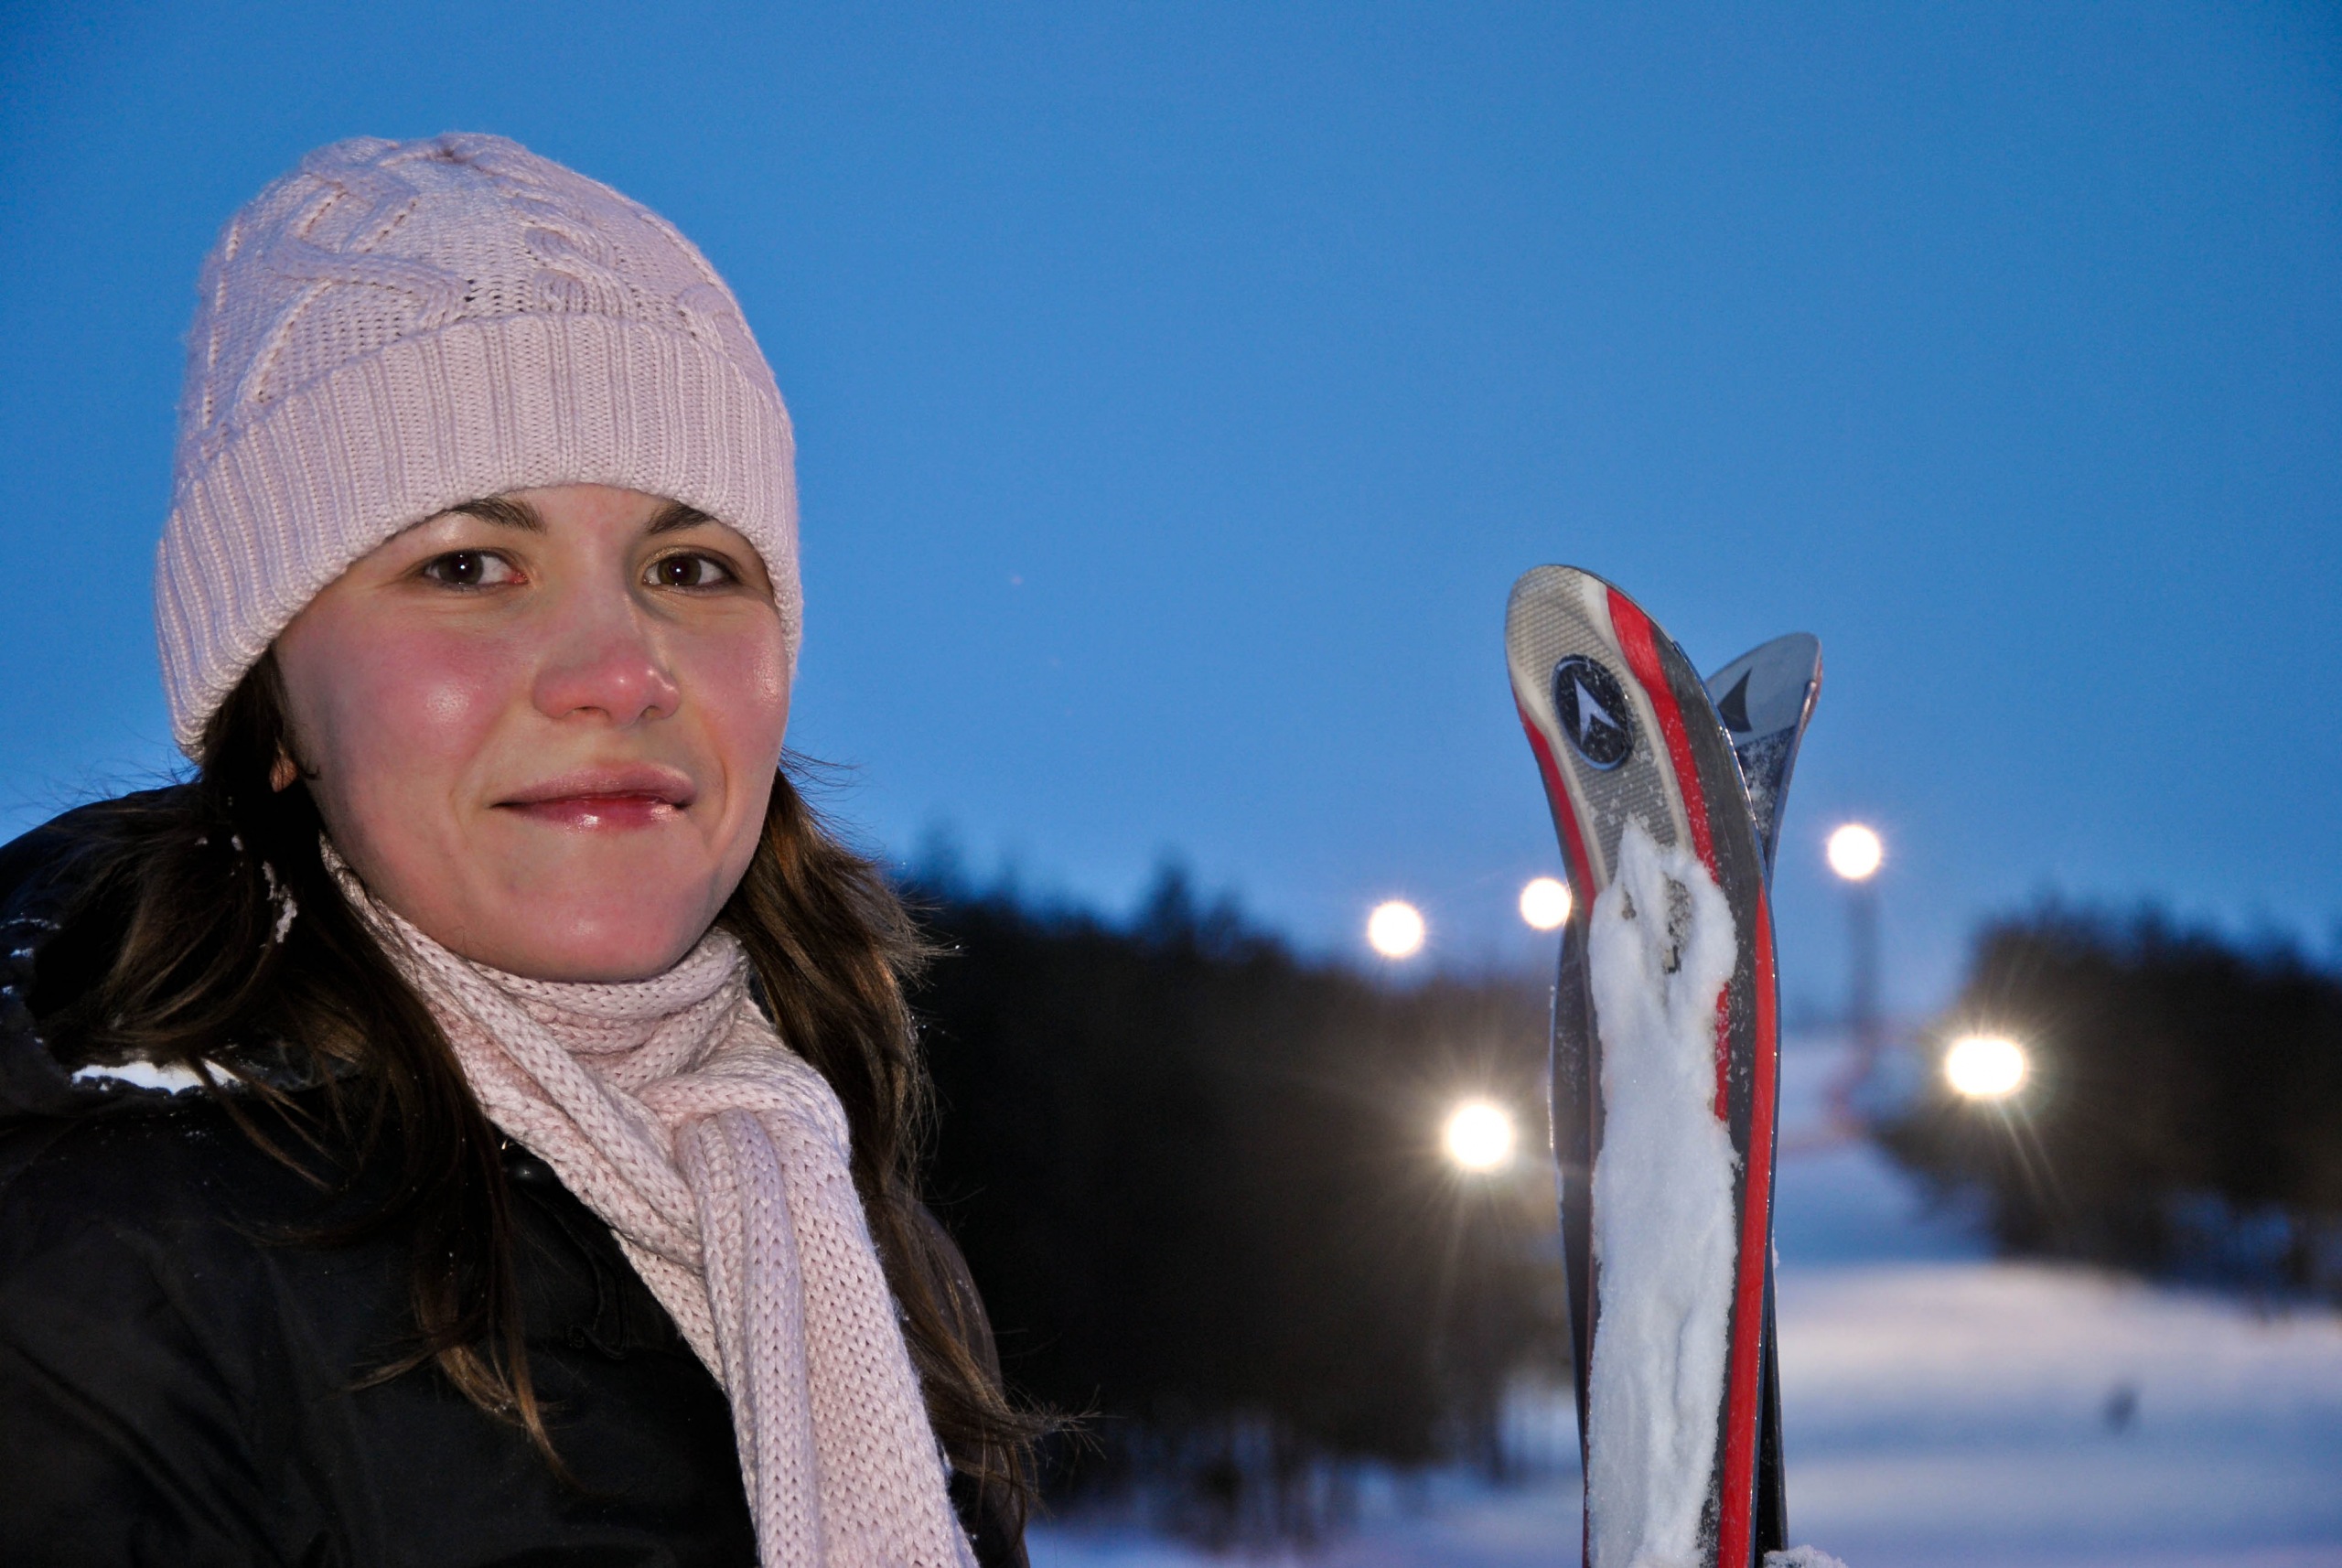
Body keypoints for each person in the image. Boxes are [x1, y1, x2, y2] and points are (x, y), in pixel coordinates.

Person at [0, 133, 1036, 1566]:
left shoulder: (852, 1243)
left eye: (690, 568)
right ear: (276, 706)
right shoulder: (102, 1274)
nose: (620, 673)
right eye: (469, 565)